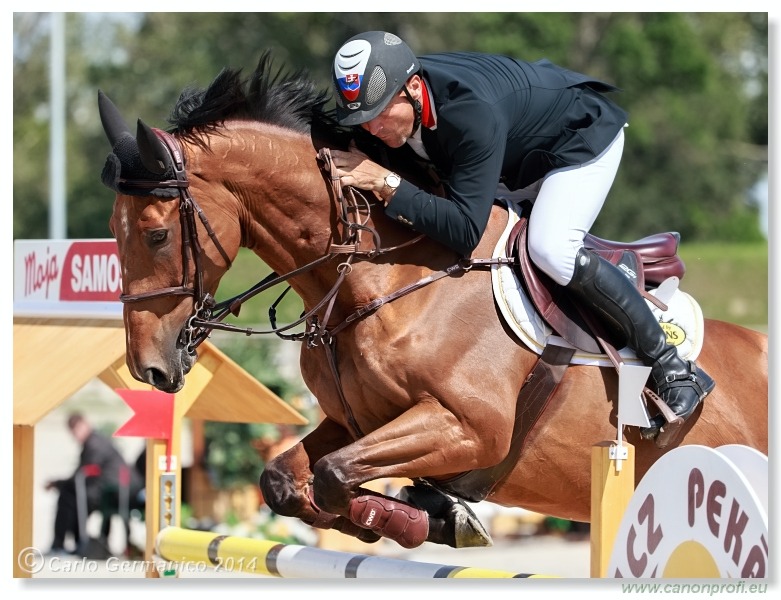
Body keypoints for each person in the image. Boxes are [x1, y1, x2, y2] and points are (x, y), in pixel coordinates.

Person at [328, 31, 714, 437]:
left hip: (577, 144)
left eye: (380, 114)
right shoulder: (405, 105)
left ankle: (672, 368)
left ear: (412, 87)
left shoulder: (468, 112)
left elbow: (463, 229)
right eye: (361, 119)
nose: (371, 128)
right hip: (511, 158)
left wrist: (387, 182)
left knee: (550, 248)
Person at [44, 412, 142, 555]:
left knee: (69, 496)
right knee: (71, 494)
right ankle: (70, 543)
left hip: (116, 491)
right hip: (113, 489)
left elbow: (83, 475)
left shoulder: (95, 444)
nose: (76, 434)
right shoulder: (94, 441)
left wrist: (58, 484)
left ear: (85, 424)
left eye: (77, 428)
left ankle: (64, 543)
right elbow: (82, 475)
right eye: (73, 430)